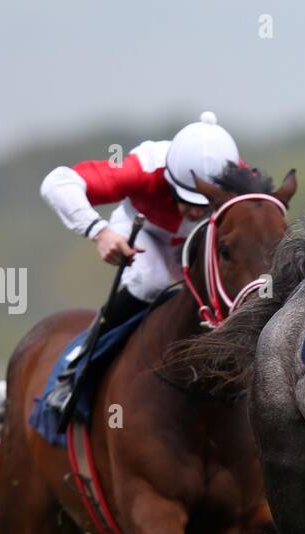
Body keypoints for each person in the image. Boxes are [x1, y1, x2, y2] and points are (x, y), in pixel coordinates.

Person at [38, 112, 241, 415]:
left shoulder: (241, 178)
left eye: (205, 204)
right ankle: (78, 366)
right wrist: (99, 231)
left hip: (199, 243)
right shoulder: (144, 167)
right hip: (145, 231)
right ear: (169, 179)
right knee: (152, 281)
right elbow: (57, 182)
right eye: (186, 200)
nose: (196, 213)